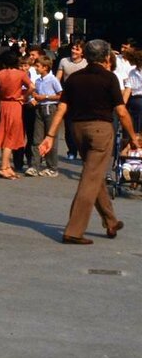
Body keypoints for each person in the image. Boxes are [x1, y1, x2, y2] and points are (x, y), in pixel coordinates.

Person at [39, 39, 141, 244]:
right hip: (100, 130)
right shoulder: (109, 78)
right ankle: (74, 230)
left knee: (92, 175)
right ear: (106, 57)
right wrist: (133, 136)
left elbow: (61, 108)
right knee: (90, 179)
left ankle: (110, 220)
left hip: (78, 130)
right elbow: (121, 111)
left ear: (85, 56)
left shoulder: (74, 79)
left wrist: (50, 135)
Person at [0, 52, 34, 179]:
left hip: (3, 104)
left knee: (4, 133)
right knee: (11, 136)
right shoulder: (21, 74)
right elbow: (32, 86)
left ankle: (7, 166)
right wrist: (24, 96)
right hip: (15, 105)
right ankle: (4, 167)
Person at [29, 55, 62, 177]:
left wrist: (46, 97)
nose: (36, 68)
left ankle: (52, 167)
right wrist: (34, 96)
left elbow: (60, 95)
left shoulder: (53, 80)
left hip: (50, 108)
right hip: (39, 109)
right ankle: (34, 166)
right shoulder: (37, 81)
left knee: (51, 137)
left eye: (38, 66)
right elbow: (35, 93)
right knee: (36, 138)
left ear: (45, 67)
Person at [57, 40, 88, 160]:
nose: (73, 51)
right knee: (69, 127)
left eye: (77, 49)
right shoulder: (64, 61)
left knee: (82, 126)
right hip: (68, 97)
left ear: (82, 53)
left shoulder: (86, 63)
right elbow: (58, 78)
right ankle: (72, 150)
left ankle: (82, 149)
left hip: (83, 98)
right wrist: (58, 92)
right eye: (73, 48)